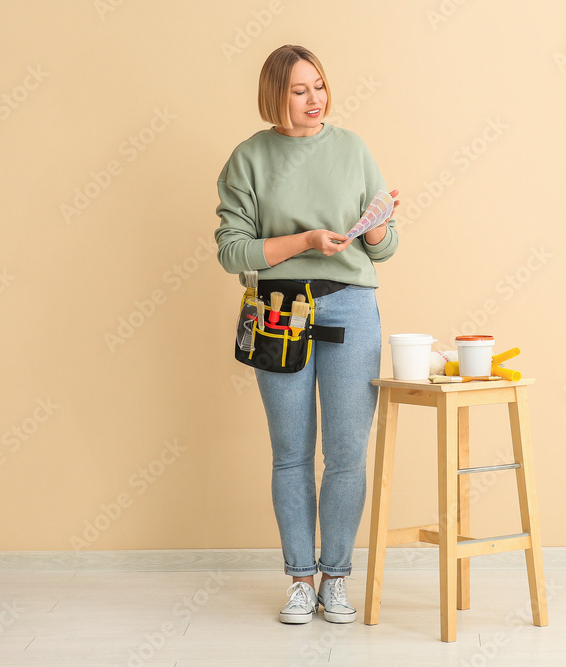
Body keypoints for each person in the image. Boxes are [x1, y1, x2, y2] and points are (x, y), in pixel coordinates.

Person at [214, 44, 399, 624]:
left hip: (351, 306)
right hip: (278, 308)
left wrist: (376, 229)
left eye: (318, 86)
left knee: (346, 455)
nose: (313, 99)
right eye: (299, 90)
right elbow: (232, 251)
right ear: (275, 96)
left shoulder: (352, 148)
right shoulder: (248, 159)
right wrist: (305, 241)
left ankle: (336, 578)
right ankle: (300, 578)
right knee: (291, 454)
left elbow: (386, 248)